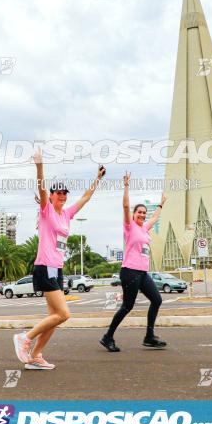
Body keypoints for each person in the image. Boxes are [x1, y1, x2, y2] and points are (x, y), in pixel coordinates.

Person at [12, 149, 105, 370]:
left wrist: (97, 180)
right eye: (59, 193)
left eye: (65, 193)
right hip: (44, 267)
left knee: (54, 316)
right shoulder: (47, 211)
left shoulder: (67, 214)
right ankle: (25, 338)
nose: (62, 196)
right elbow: (41, 187)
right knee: (63, 314)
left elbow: (85, 198)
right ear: (52, 196)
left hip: (57, 268)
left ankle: (36, 356)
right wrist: (39, 166)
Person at [100, 172, 167, 352]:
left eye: (144, 213)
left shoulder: (144, 228)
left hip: (143, 273)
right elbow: (125, 205)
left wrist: (161, 204)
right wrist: (126, 186)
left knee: (157, 299)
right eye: (139, 212)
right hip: (129, 271)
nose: (142, 215)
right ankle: (108, 337)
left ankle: (149, 336)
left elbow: (154, 218)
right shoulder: (129, 227)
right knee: (127, 306)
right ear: (134, 214)